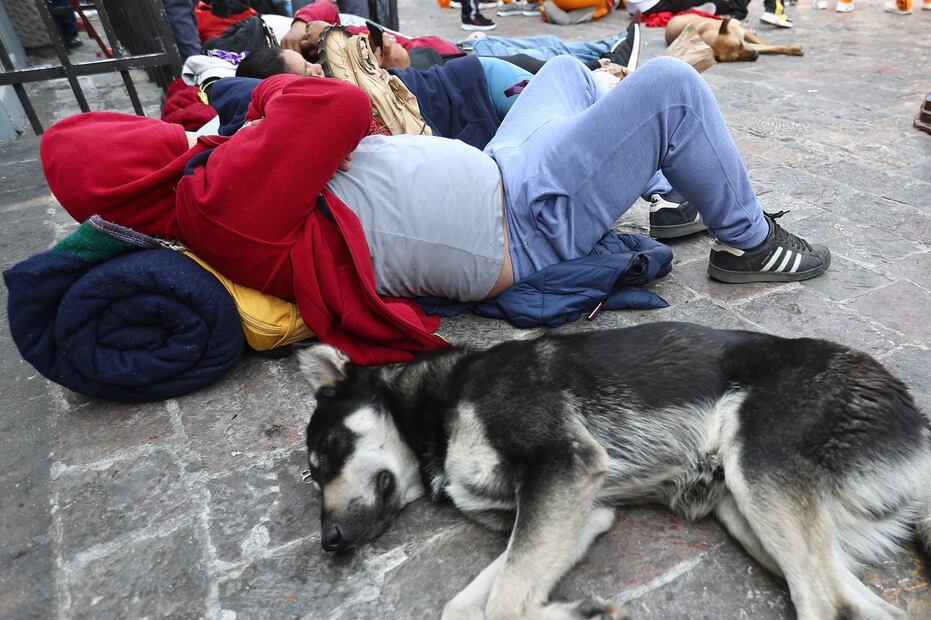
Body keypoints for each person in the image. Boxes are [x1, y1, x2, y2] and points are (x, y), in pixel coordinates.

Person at [40, 56, 830, 364]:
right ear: (139, 153)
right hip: (523, 224)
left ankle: (668, 195)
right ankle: (748, 243)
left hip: (500, 178)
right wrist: (258, 104)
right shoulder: (214, 198)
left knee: (562, 70)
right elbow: (335, 106)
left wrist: (242, 128)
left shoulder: (209, 187)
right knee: (667, 85)